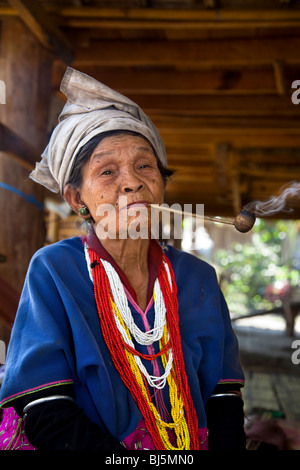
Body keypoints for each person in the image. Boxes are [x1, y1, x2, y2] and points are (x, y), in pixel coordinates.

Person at [0, 68, 246, 451]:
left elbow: (224, 397)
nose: (131, 182)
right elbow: (45, 408)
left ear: (161, 183)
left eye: (144, 166)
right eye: (107, 171)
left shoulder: (197, 277)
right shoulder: (54, 270)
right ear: (76, 198)